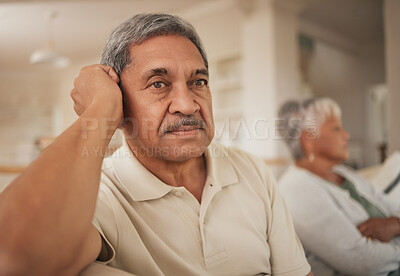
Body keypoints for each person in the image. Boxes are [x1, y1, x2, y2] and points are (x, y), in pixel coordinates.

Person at [0, 13, 313, 276]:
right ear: (121, 102)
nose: (188, 105)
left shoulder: (251, 169)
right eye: (159, 84)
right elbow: (15, 258)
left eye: (198, 82)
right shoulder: (100, 194)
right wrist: (101, 109)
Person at [278, 97, 400, 276]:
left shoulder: (345, 173)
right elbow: (365, 262)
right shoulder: (296, 189)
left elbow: (395, 211)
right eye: (336, 128)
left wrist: (395, 225)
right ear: (308, 139)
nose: (346, 135)